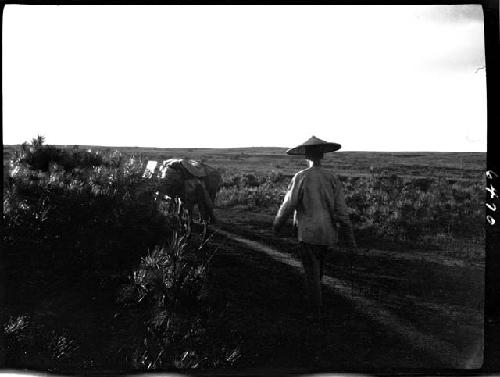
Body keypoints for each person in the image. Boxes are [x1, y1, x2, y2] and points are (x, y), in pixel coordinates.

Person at [273, 136, 357, 322]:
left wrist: (278, 224)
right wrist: (349, 237)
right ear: (322, 155)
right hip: (327, 233)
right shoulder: (332, 178)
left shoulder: (301, 177)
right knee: (318, 269)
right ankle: (316, 301)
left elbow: (289, 204)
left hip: (308, 233)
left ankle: (315, 311)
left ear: (306, 155)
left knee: (311, 272)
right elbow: (341, 211)